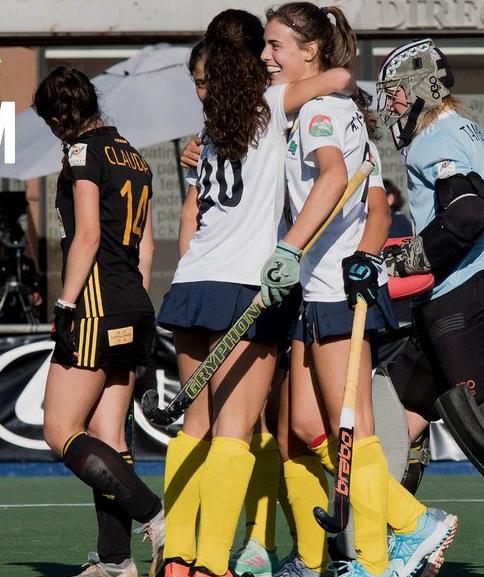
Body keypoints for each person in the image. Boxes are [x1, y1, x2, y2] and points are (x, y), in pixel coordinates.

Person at [260, 7, 457, 577]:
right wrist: (363, 258)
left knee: (357, 435)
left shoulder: (321, 111)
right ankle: (408, 521)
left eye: (277, 45)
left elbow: (332, 180)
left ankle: (380, 551)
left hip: (328, 291)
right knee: (303, 427)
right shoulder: (340, 113)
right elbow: (372, 203)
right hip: (324, 289)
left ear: (310, 53)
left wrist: (294, 249)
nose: (267, 56)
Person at [157, 9, 354, 577]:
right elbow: (341, 79)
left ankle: (176, 558)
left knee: (195, 427)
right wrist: (286, 80)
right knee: (234, 435)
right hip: (244, 286)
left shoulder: (209, 128)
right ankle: (212, 564)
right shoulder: (270, 105)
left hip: (191, 284)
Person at [35, 66, 164, 577]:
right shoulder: (133, 154)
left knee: (59, 430)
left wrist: (66, 304)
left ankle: (155, 515)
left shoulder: (82, 152)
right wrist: (133, 299)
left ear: (60, 114)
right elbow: (147, 247)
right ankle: (114, 560)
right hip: (133, 302)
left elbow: (86, 235)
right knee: (110, 438)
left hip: (95, 303)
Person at [377, 38, 484, 477]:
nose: (393, 104)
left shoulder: (435, 137)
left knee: (475, 427)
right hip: (445, 298)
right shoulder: (464, 127)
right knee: (395, 412)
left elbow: (466, 214)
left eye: (397, 92)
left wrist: (405, 260)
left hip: (458, 297)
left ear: (422, 86)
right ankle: (395, 532)